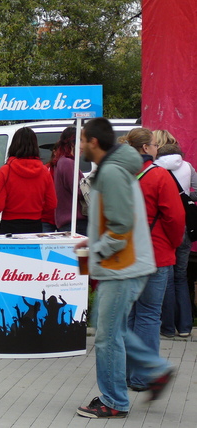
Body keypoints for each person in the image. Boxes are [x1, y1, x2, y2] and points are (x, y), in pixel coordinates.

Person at [75, 118, 174, 419]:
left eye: (81, 140)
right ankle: (156, 371)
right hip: (123, 265)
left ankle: (114, 402)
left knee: (106, 336)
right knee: (113, 329)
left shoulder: (113, 173)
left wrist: (95, 250)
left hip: (122, 266)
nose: (78, 146)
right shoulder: (113, 168)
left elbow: (120, 227)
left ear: (93, 142)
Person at [118, 128, 184, 391]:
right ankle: (144, 377)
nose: (157, 149)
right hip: (156, 254)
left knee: (130, 316)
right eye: (155, 145)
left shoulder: (120, 175)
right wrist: (173, 243)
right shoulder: (159, 176)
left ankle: (125, 374)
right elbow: (175, 218)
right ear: (145, 148)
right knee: (148, 315)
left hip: (125, 254)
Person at [155, 142, 195, 338]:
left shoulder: (155, 169)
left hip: (165, 229)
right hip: (186, 227)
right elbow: (195, 191)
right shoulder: (188, 167)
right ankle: (186, 327)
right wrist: (185, 195)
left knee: (167, 279)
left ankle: (168, 327)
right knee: (181, 277)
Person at [0, 127, 57, 234]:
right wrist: (37, 211)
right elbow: (52, 203)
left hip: (9, 226)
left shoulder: (6, 170)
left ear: (13, 145)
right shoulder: (44, 171)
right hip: (35, 225)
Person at [48, 126, 88, 235]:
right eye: (81, 141)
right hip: (74, 221)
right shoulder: (67, 163)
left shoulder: (64, 162)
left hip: (71, 221)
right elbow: (78, 192)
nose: (84, 146)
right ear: (71, 143)